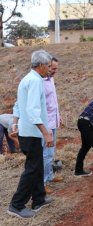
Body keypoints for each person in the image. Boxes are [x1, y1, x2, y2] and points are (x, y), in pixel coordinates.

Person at [7, 50, 54, 218]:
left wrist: (14, 122)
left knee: (37, 165)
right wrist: (46, 133)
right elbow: (33, 111)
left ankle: (38, 198)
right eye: (48, 66)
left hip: (28, 131)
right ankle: (16, 205)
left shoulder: (27, 79)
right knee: (32, 169)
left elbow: (18, 104)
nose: (49, 69)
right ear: (40, 65)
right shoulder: (34, 81)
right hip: (32, 132)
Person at [43, 57, 62, 194]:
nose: (55, 71)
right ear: (46, 66)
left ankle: (49, 176)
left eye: (56, 68)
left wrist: (58, 117)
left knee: (51, 153)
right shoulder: (39, 83)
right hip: (45, 125)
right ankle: (42, 184)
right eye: (53, 68)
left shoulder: (51, 80)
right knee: (46, 154)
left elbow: (52, 102)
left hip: (53, 121)